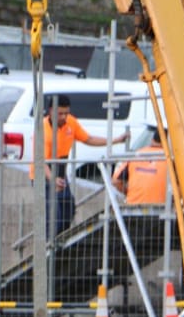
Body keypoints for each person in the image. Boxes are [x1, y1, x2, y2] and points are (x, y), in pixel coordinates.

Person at [31, 99, 130, 238]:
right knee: (53, 215)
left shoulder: (71, 122)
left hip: (60, 170)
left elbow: (88, 139)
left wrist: (115, 140)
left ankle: (58, 240)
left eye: (66, 113)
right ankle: (49, 246)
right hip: (43, 175)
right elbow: (40, 161)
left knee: (68, 210)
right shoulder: (42, 130)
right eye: (60, 114)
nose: (64, 117)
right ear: (51, 112)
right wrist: (52, 179)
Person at [111, 128, 169, 205]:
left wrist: (128, 192)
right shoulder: (170, 159)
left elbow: (116, 181)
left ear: (152, 139)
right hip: (162, 208)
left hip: (133, 206)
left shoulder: (136, 155)